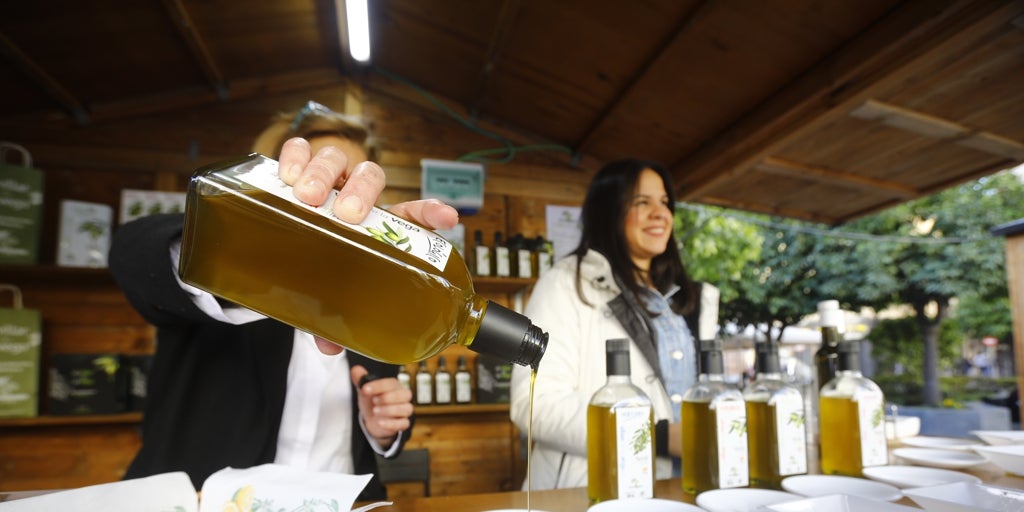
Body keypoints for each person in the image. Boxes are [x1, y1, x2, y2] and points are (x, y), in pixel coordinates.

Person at [108, 101, 459, 500]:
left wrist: (381, 428)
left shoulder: (372, 298)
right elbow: (131, 254)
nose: (335, 196)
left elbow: (383, 405)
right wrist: (255, 241)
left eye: (351, 188)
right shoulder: (224, 262)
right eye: (324, 177)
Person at [509, 158, 718, 490]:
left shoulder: (691, 300)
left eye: (664, 202)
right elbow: (534, 403)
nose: (661, 213)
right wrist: (657, 436)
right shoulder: (566, 282)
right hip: (595, 490)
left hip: (687, 485)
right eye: (642, 202)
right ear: (609, 211)